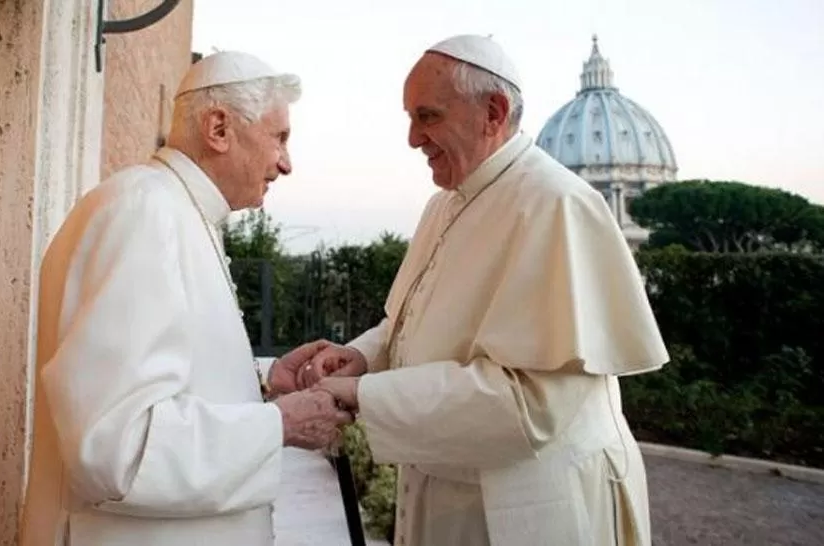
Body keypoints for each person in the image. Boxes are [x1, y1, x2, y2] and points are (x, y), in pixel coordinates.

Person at [280, 35, 670, 546]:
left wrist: (363, 396)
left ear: (493, 111)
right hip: (449, 490)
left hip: (529, 508)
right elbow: (411, 321)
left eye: (428, 116)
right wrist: (361, 357)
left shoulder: (556, 204)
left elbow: (531, 402)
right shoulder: (444, 204)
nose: (412, 138)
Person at [19, 51, 352, 546]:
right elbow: (117, 446)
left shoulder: (174, 210)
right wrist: (278, 425)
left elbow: (164, 379)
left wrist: (264, 384)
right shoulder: (145, 212)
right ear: (219, 128)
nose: (285, 163)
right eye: (279, 137)